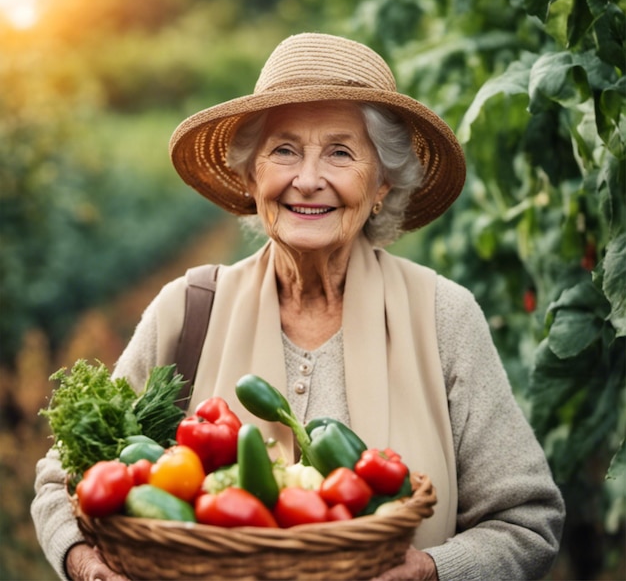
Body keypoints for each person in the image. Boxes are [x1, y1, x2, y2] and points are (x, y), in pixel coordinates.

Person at [32, 32, 565, 581]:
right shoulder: (188, 310)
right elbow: (61, 478)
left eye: (340, 152)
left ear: (381, 183)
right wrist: (88, 567)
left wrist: (433, 571)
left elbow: (527, 520)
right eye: (284, 150)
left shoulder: (443, 316)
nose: (307, 181)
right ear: (251, 175)